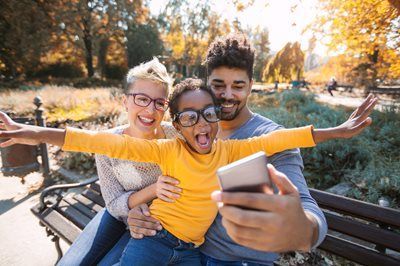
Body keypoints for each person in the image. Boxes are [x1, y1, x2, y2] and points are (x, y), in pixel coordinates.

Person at [0, 77, 377, 265]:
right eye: (190, 116)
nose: (202, 124)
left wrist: (338, 131)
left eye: (209, 114)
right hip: (155, 238)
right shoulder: (166, 149)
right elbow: (96, 141)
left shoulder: (231, 150)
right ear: (176, 125)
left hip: (194, 253)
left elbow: (282, 139)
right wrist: (31, 132)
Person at [127, 34, 376, 265]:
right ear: (206, 84)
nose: (227, 95)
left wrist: (301, 229)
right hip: (183, 250)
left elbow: (305, 205)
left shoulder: (270, 138)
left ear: (251, 85)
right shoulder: (185, 128)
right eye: (218, 85)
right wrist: (138, 211)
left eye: (238, 86)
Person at [56, 57, 181, 265]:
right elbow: (113, 203)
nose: (150, 110)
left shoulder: (176, 137)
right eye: (141, 99)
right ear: (125, 102)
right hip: (118, 216)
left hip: (153, 223)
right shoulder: (107, 143)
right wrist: (153, 190)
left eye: (160, 103)